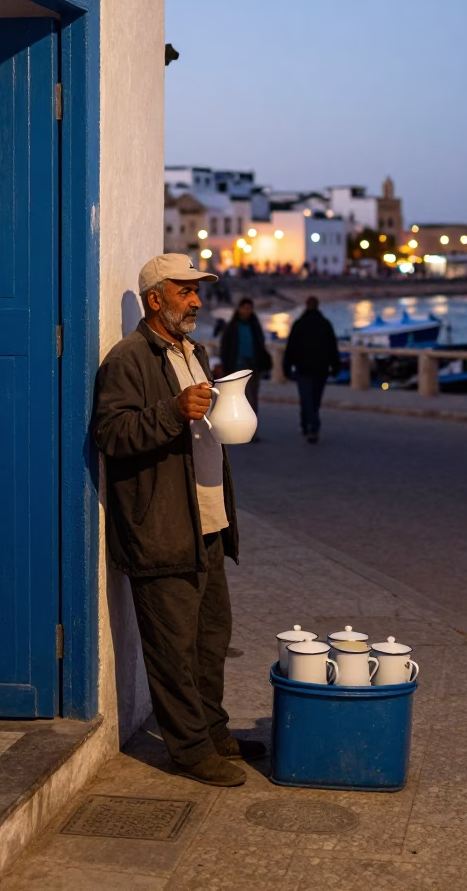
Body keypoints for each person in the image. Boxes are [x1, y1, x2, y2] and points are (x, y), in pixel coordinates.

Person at [92, 253, 265, 788]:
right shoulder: (128, 359)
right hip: (162, 529)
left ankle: (213, 731)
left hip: (206, 522)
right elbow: (112, 434)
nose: (196, 299)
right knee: (171, 648)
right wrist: (173, 410)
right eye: (185, 290)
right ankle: (189, 751)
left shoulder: (195, 351)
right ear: (155, 299)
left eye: (198, 290)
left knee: (211, 638)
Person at [283, 296, 340, 443]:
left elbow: (290, 348)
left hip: (304, 369)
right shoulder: (325, 324)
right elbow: (332, 348)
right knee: (314, 399)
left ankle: (307, 424)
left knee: (306, 398)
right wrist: (335, 366)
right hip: (320, 369)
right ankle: (312, 427)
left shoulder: (299, 324)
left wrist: (286, 367)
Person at [219, 298, 272, 423]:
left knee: (252, 397)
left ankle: (249, 426)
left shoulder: (255, 326)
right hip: (237, 366)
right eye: (245, 308)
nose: (247, 311)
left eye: (249, 308)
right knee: (245, 397)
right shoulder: (232, 327)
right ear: (239, 309)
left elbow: (260, 345)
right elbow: (226, 348)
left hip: (253, 366)